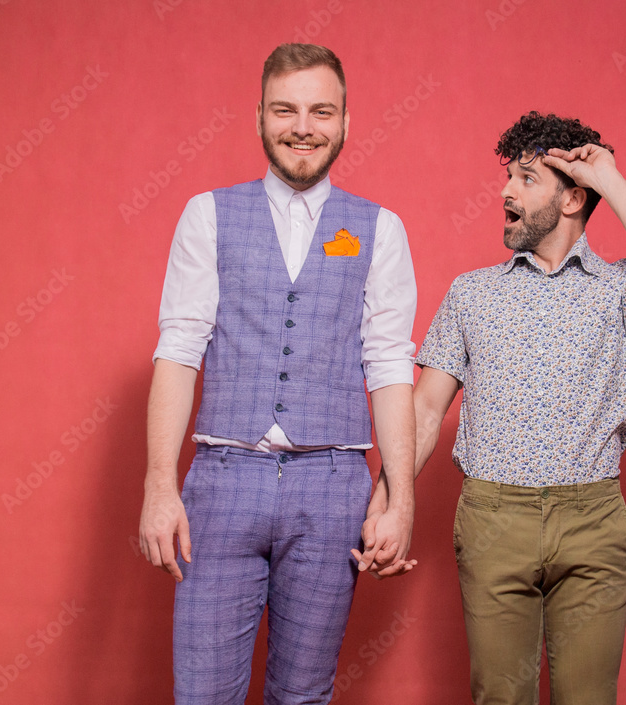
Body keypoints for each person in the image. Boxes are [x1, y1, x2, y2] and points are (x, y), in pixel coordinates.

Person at [372, 111, 626, 704]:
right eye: (509, 178)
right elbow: (423, 412)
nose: (506, 191)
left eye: (526, 179)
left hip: (593, 521)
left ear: (573, 199)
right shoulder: (472, 292)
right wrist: (389, 505)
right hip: (494, 518)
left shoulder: (620, 290)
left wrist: (609, 178)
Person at [138, 43, 416, 705]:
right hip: (224, 480)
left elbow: (389, 364)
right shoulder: (208, 214)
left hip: (332, 487)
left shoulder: (379, 229)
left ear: (346, 122)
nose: (303, 126)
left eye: (321, 111)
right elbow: (178, 351)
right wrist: (158, 485)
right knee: (203, 695)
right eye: (285, 109)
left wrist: (400, 498)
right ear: (258, 116)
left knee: (303, 696)